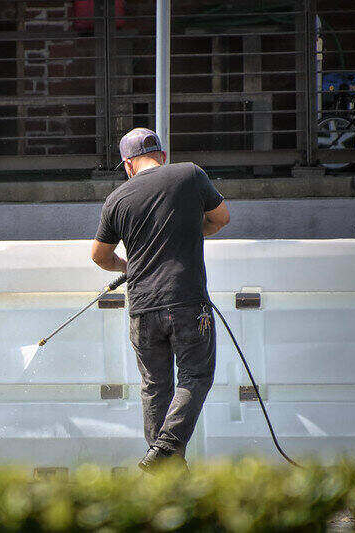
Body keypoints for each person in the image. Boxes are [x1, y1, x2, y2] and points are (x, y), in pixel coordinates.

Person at [91, 128, 229, 472]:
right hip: (186, 300)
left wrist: (129, 267)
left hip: (142, 307)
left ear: (127, 164)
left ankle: (166, 478)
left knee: (155, 389)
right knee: (196, 377)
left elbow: (99, 256)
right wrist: (184, 233)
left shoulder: (117, 199)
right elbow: (221, 218)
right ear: (162, 155)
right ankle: (167, 449)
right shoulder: (190, 174)